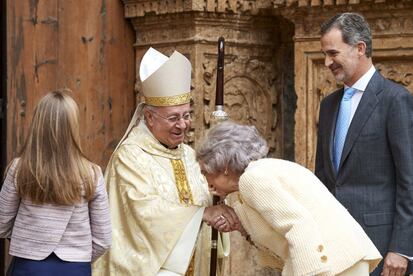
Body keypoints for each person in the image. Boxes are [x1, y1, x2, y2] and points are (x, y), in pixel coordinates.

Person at [92, 48, 237, 276]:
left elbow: (206, 198)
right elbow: (145, 212)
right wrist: (203, 214)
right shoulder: (130, 157)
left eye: (187, 115)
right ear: (149, 118)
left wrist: (222, 197)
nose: (182, 125)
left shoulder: (189, 155)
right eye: (173, 118)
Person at [196, 121, 382, 276]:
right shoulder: (251, 182)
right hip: (339, 260)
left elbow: (298, 224)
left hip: (333, 263)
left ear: (224, 166)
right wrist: (239, 225)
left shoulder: (253, 178)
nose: (206, 181)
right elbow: (276, 238)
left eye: (205, 172)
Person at [316, 12, 413, 276]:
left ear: (360, 48)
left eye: (333, 53)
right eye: (325, 54)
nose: (327, 62)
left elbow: (410, 180)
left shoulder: (395, 100)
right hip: (334, 248)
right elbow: (324, 179)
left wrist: (402, 248)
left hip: (381, 251)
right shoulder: (328, 106)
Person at [0, 90, 112, 276]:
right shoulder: (92, 173)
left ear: (37, 124)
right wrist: (77, 257)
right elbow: (103, 239)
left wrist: (28, 243)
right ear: (74, 126)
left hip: (28, 266)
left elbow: (2, 223)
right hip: (75, 268)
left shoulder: (19, 169)